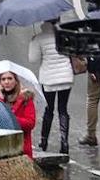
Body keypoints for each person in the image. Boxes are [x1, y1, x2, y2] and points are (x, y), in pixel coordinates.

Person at [28, 20, 73, 155]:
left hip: (49, 79)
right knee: (63, 109)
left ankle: (44, 140)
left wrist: (33, 42)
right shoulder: (65, 35)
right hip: (66, 76)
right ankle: (64, 142)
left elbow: (33, 59)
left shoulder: (39, 38)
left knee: (49, 109)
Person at [0, 71, 36, 158]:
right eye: (3, 79)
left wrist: (11, 119)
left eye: (10, 78)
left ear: (16, 81)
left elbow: (30, 123)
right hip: (0, 148)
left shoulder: (25, 98)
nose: (6, 82)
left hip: (21, 147)